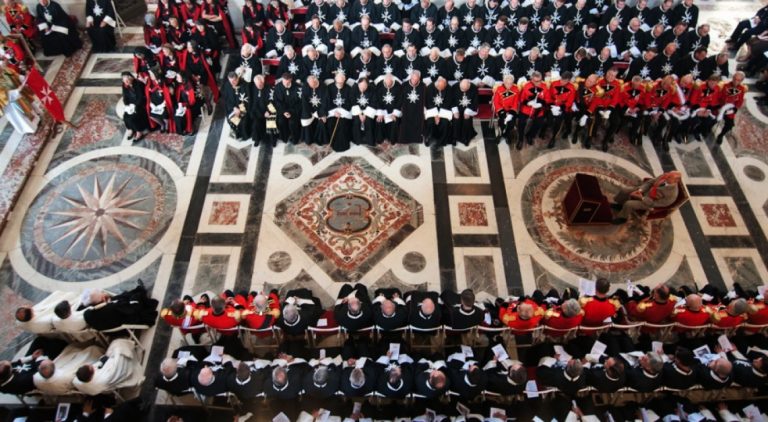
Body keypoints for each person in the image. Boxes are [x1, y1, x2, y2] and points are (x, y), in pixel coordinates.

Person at [73, 339, 142, 395]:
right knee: (118, 345)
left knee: (109, 353)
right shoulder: (105, 375)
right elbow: (115, 364)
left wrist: (103, 360)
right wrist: (115, 353)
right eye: (90, 366)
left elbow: (99, 364)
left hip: (108, 383)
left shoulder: (85, 381)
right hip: (122, 371)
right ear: (91, 370)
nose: (91, 365)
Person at [611, 170, 682, 224]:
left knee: (629, 204)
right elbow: (650, 182)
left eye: (669, 177)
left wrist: (642, 198)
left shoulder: (672, 194)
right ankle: (620, 205)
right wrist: (640, 190)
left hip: (649, 202)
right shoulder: (665, 176)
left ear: (676, 181)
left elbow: (656, 204)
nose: (666, 177)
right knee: (624, 190)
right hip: (645, 191)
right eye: (668, 175)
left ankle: (622, 218)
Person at [33, 344, 105, 395]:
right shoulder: (66, 377)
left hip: (59, 376)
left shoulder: (36, 378)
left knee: (71, 350)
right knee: (90, 352)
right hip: (64, 381)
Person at [398, 70, 426, 143]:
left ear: (419, 78)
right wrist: (400, 108)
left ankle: (416, 139)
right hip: (406, 108)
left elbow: (425, 99)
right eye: (413, 79)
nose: (414, 81)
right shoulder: (404, 85)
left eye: (416, 80)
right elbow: (400, 98)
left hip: (418, 109)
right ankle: (405, 139)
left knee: (418, 121)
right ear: (410, 77)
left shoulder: (423, 86)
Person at [223, 71, 252, 141]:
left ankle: (245, 135)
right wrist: (234, 108)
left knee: (243, 122)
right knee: (232, 120)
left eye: (233, 81)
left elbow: (248, 99)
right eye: (230, 81)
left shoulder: (245, 85)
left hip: (244, 108)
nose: (231, 84)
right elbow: (226, 99)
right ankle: (238, 133)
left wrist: (240, 109)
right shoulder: (227, 85)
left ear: (237, 79)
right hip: (233, 108)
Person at [273, 73, 301, 144]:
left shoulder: (298, 87)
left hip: (294, 110)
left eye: (287, 83)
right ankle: (284, 137)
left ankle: (295, 139)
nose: (285, 85)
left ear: (291, 80)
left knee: (292, 123)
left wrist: (291, 112)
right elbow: (277, 102)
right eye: (284, 82)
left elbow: (299, 102)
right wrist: (284, 112)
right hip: (282, 110)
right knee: (281, 121)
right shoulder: (277, 87)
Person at [121, 72, 149, 142]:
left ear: (131, 78)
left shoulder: (138, 84)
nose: (126, 82)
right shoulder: (124, 85)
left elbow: (141, 97)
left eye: (127, 80)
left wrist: (135, 105)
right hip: (131, 104)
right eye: (124, 81)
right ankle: (131, 129)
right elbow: (125, 96)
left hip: (140, 104)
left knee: (133, 116)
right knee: (125, 116)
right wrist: (127, 104)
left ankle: (139, 132)